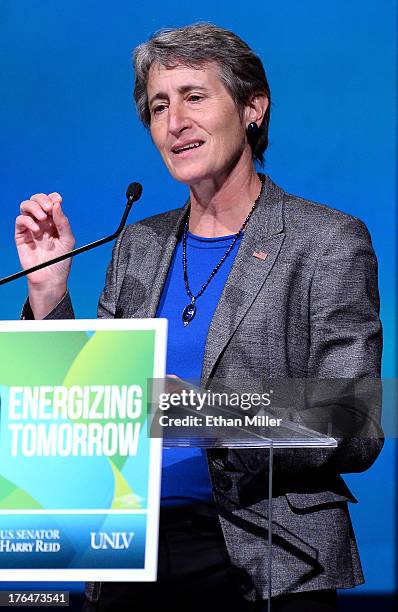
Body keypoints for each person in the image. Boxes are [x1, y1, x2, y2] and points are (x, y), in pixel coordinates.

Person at [16, 23, 383, 612]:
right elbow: (88, 410)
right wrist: (48, 291)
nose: (174, 122)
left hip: (267, 555)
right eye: (159, 105)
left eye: (194, 96)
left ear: (253, 109)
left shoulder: (325, 241)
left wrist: (197, 411)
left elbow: (352, 417)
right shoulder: (138, 244)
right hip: (128, 558)